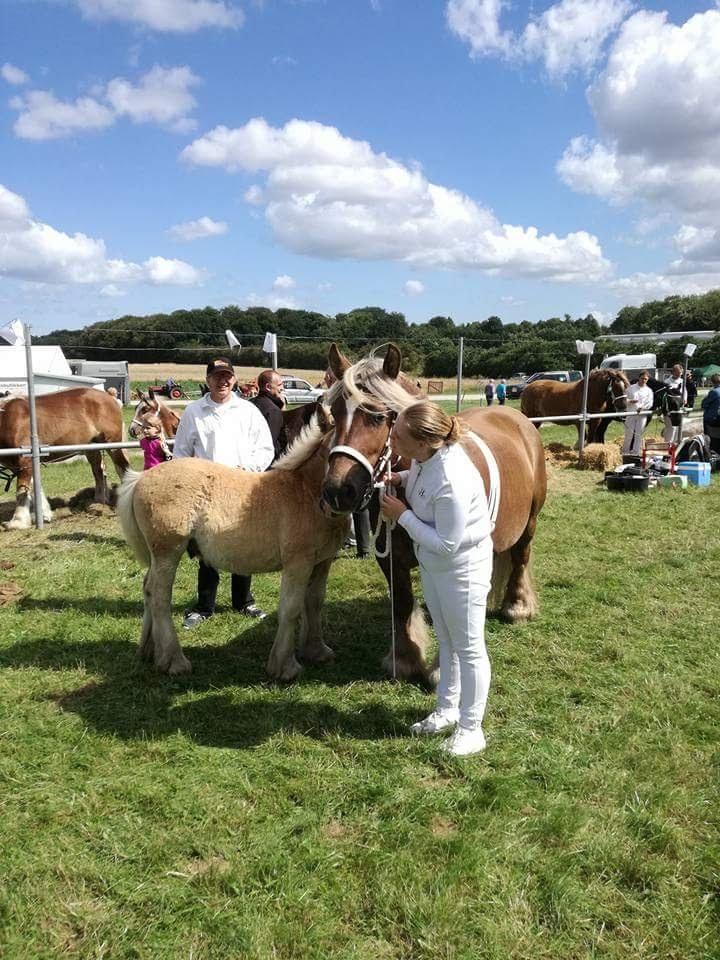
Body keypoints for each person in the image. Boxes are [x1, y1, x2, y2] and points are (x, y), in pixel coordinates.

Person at [381, 400, 493, 757]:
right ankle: (446, 709)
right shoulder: (424, 457)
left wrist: (402, 516)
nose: (392, 439)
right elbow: (417, 475)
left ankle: (471, 729)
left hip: (462, 569)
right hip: (434, 566)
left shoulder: (452, 480)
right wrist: (399, 478)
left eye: (398, 435)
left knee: (470, 647)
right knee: (446, 639)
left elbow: (447, 544)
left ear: (424, 442)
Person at [173, 357, 275, 628]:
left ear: (235, 379)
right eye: (217, 376)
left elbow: (265, 448)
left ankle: (244, 601)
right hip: (207, 492)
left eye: (228, 376)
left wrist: (247, 468)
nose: (223, 381)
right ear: (208, 380)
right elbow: (181, 453)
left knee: (244, 542)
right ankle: (204, 606)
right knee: (207, 548)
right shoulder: (194, 411)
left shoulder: (248, 411)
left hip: (242, 487)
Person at [251, 369, 287, 461]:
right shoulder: (273, 411)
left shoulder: (249, 404)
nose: (282, 388)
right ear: (268, 387)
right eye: (279, 385)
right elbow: (269, 443)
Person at [622, 371, 654, 457]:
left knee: (639, 434)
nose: (643, 380)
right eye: (642, 378)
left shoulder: (649, 391)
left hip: (642, 415)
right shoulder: (630, 388)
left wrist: (643, 408)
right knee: (629, 433)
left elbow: (650, 403)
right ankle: (625, 452)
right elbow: (624, 399)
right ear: (638, 378)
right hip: (631, 413)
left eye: (645, 379)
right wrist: (629, 401)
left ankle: (635, 453)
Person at [662, 364, 686, 443]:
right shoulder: (667, 382)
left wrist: (685, 400)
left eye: (681, 372)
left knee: (679, 428)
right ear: (673, 372)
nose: (680, 374)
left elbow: (685, 392)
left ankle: (675, 445)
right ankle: (668, 445)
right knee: (670, 428)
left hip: (679, 409)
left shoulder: (682, 382)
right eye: (678, 372)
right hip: (670, 410)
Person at [701, 373, 720, 454]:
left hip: (712, 419)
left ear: (712, 382)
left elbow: (703, 404)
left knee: (709, 438)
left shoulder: (714, 392)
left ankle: (710, 451)